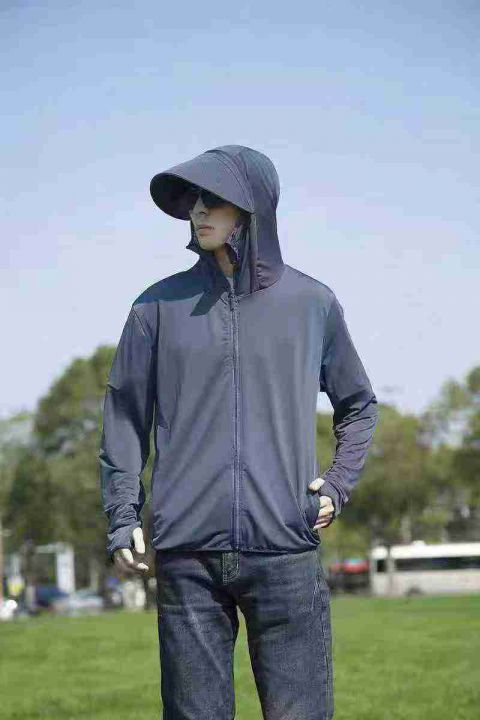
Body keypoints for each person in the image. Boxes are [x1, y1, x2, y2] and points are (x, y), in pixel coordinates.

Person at [99, 144, 379, 719]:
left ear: (251, 210)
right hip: (188, 557)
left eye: (215, 200)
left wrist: (336, 484)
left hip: (286, 548)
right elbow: (124, 415)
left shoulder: (312, 304)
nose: (199, 211)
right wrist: (123, 513)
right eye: (194, 200)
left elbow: (358, 405)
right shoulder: (155, 308)